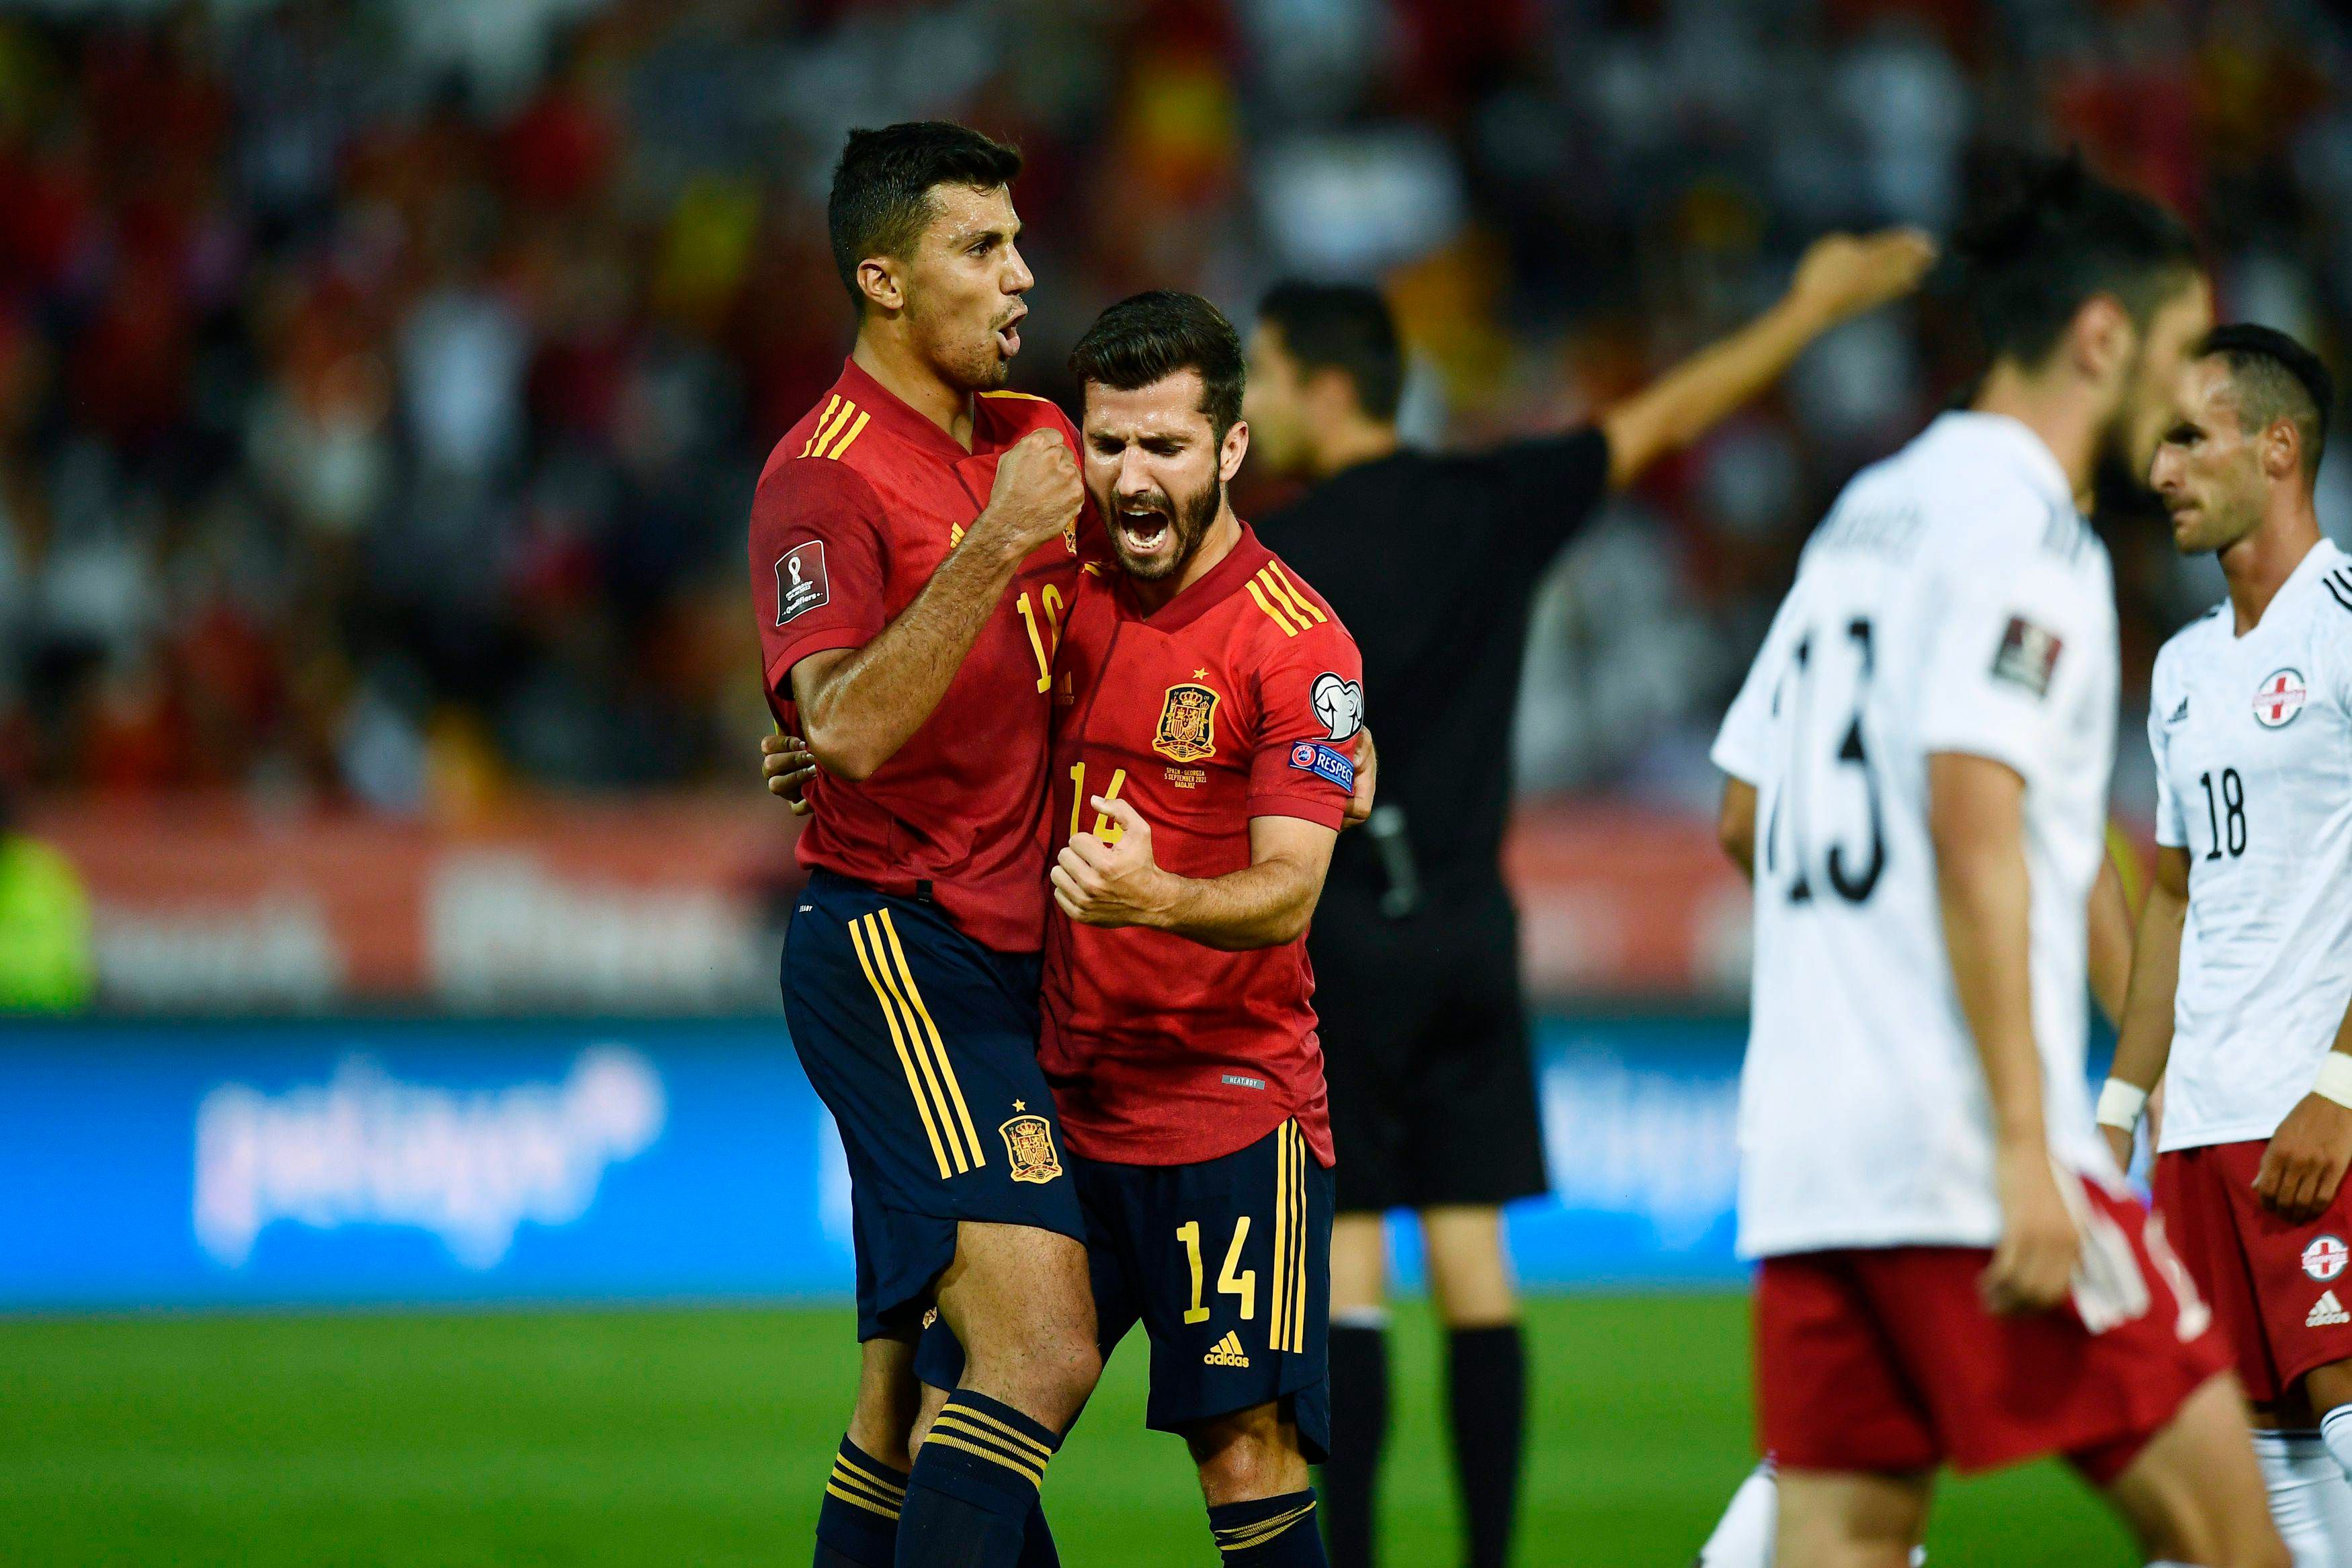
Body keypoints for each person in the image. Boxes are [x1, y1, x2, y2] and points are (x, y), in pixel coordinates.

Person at [1239, 228, 1937, 1568]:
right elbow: (1665, 414)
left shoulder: (1268, 556)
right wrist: (1805, 307)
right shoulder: (1489, 501)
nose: (1251, 406)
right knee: (1475, 1261)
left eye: (1262, 375)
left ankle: (1365, 1558)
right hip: (1464, 929)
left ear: (1328, 385)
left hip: (1331, 933)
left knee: (1347, 1268)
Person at [1706, 150, 2284, 1568]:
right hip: (1969, 1151)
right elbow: (1975, 816)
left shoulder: (1867, 512)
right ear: (2102, 335)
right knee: (2237, 1542)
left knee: (1839, 1535)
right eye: (2176, 348)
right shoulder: (2030, 535)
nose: (2186, 394)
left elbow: (1744, 811)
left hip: (1812, 1155)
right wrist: (2031, 1148)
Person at [749, 120, 1101, 1568]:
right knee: (1040, 1350)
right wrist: (993, 548)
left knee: (912, 1396)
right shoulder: (821, 473)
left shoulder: (1033, 437)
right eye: (981, 247)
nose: (1021, 277)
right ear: (882, 280)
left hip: (1023, 962)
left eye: (1018, 242)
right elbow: (845, 724)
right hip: (901, 947)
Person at [2099, 324, 2352, 1567]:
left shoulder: (2349, 625)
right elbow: (2171, 898)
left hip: (2319, 1119)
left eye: (2190, 436)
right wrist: (2119, 1106)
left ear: (2279, 445)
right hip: (2200, 1129)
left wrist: (2343, 1084)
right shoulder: (2186, 668)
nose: (2162, 468)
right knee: (2250, 1504)